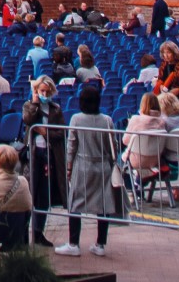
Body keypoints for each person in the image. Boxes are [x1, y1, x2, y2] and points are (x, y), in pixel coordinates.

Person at [58, 84, 117, 258]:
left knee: (75, 203)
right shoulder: (107, 120)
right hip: (103, 166)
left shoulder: (76, 119)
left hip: (82, 165)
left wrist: (68, 167)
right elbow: (112, 145)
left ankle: (73, 243)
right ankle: (100, 243)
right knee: (103, 206)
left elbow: (71, 146)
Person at [20, 75, 66, 248]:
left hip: (49, 154)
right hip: (33, 153)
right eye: (41, 91)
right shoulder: (29, 105)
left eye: (47, 91)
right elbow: (28, 120)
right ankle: (24, 232)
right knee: (28, 193)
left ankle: (39, 232)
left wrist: (45, 132)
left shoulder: (55, 109)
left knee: (44, 197)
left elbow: (61, 132)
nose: (44, 94)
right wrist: (35, 102)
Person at [122, 94, 168, 182]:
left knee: (118, 162)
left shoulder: (135, 119)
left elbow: (125, 141)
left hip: (136, 160)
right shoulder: (162, 122)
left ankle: (132, 189)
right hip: (155, 160)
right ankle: (139, 185)